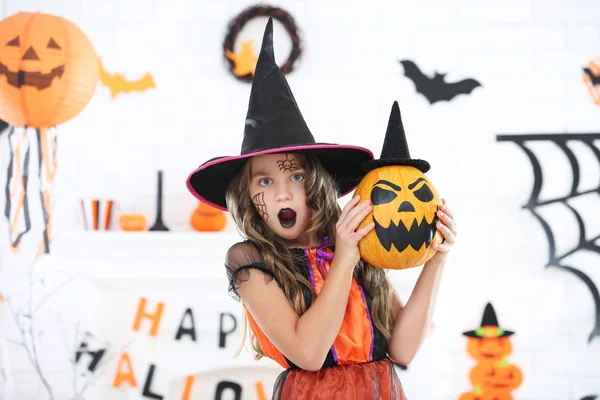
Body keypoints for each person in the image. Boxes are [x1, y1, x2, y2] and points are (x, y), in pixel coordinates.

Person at [186, 18, 457, 400]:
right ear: (247, 195)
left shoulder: (355, 240)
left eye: (295, 177)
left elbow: (403, 349)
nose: (282, 194)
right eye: (264, 181)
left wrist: (435, 260)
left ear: (316, 182)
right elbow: (309, 354)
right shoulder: (250, 260)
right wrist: (345, 260)